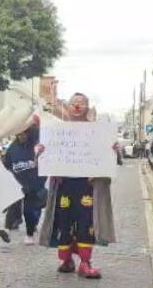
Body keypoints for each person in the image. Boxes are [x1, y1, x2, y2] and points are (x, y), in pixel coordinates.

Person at [37, 93, 116, 278]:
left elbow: (107, 156)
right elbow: (44, 155)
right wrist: (42, 152)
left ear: (87, 107)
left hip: (87, 185)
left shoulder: (97, 131)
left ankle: (85, 262)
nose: (78, 106)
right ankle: (66, 260)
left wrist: (112, 151)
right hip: (64, 184)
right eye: (74, 103)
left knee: (85, 222)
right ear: (68, 106)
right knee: (63, 221)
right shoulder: (57, 130)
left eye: (82, 103)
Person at [0, 124, 46, 245]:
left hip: (34, 185)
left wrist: (40, 182)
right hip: (18, 184)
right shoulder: (13, 148)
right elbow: (6, 164)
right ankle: (6, 229)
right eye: (18, 133)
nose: (21, 136)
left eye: (24, 133)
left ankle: (29, 234)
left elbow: (46, 164)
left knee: (30, 211)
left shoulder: (37, 146)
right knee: (13, 205)